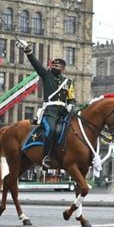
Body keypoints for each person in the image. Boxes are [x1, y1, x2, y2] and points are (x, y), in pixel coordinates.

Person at [16, 40, 76, 168]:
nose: (54, 67)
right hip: (50, 111)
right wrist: (28, 51)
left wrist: (71, 104)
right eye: (53, 66)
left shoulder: (68, 82)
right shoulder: (46, 75)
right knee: (51, 130)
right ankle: (46, 157)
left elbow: (71, 97)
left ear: (63, 68)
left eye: (57, 66)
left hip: (64, 112)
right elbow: (36, 65)